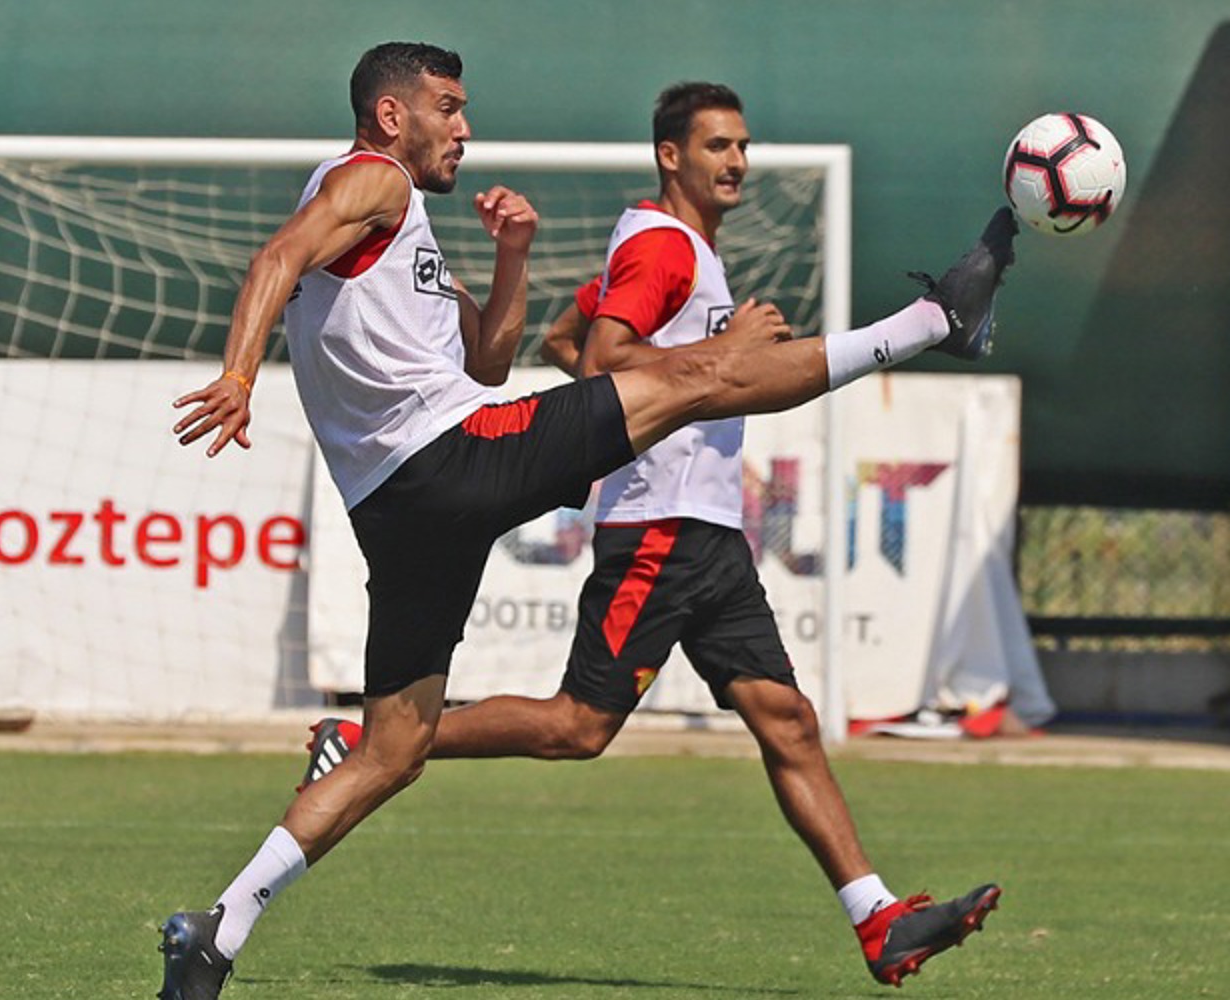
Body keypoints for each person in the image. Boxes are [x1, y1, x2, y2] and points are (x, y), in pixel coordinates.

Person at [162, 43, 1015, 1000]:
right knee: (703, 376)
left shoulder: (397, 228)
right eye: (448, 107)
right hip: (454, 458)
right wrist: (239, 375)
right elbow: (276, 256)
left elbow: (488, 361)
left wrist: (514, 255)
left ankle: (217, 931)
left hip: (400, 512)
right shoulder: (373, 179)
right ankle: (934, 322)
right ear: (393, 116)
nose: (464, 129)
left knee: (394, 750)